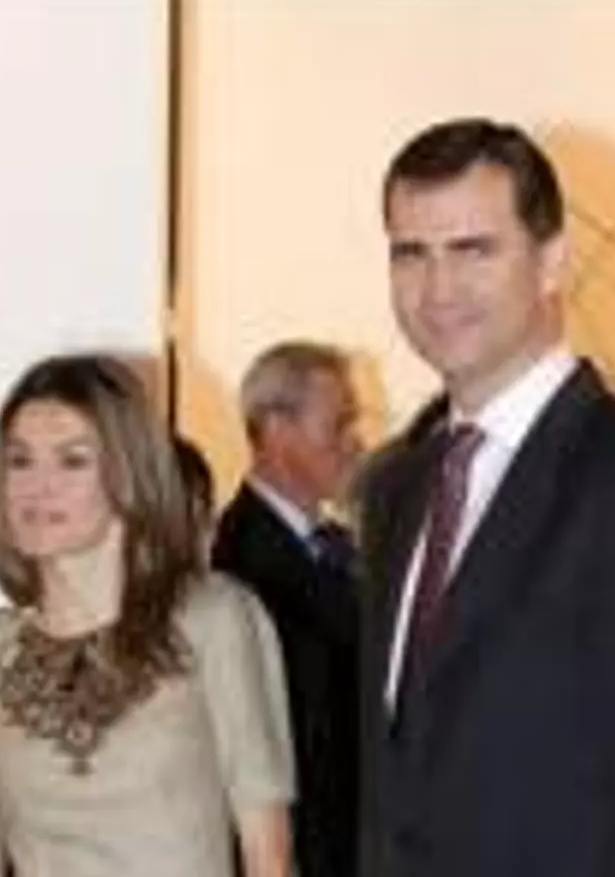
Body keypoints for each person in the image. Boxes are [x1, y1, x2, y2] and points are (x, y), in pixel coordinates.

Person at [358, 118, 615, 877]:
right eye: (411, 253)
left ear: (551, 263)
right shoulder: (399, 491)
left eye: (473, 250)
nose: (437, 289)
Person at [0, 353, 294, 877]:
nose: (38, 486)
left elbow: (270, 856)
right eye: (20, 461)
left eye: (73, 461)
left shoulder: (214, 619)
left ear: (129, 474)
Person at [211, 341, 362, 877]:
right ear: (277, 430)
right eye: (338, 425)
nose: (355, 443)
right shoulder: (239, 565)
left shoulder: (338, 544)